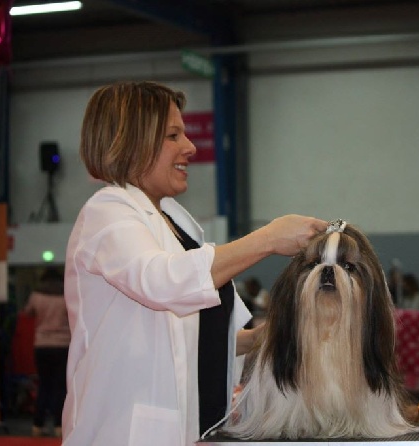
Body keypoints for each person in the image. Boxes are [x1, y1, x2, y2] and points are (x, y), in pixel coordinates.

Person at [62, 81, 327, 446]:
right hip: (118, 430)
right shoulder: (107, 212)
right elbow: (164, 284)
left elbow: (182, 337)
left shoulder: (174, 222)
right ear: (132, 141)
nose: (190, 147)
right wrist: (268, 239)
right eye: (174, 135)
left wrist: (257, 339)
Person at [21, 267, 70, 438]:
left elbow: (27, 312)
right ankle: (59, 425)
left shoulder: (36, 295)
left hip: (42, 344)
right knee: (60, 386)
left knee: (44, 384)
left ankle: (37, 424)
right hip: (63, 345)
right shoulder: (66, 294)